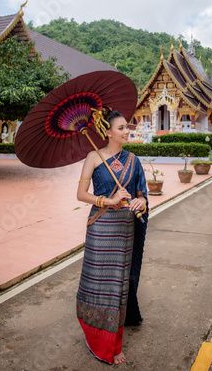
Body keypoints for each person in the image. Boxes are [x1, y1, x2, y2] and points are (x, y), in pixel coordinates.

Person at [76, 109, 148, 365]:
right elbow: (81, 194)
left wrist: (139, 202)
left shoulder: (134, 160)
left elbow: (141, 194)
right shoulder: (93, 157)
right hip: (100, 227)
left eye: (127, 127)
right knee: (98, 281)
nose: (127, 131)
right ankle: (95, 334)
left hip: (124, 230)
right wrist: (108, 200)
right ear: (108, 132)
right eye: (121, 128)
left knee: (118, 283)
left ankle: (114, 342)